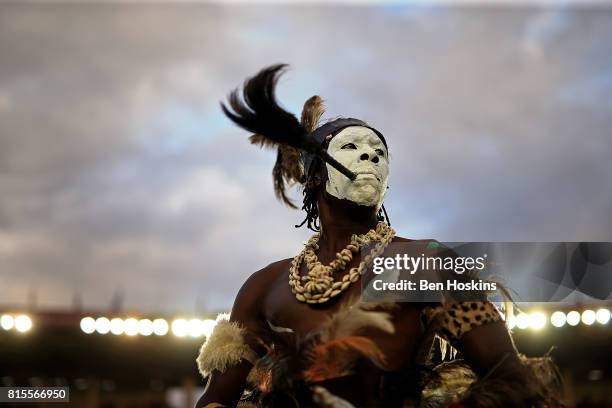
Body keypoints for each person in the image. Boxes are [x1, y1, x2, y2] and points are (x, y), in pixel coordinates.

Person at [194, 65, 563, 408]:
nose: (369, 158)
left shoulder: (424, 261)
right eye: (351, 148)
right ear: (316, 174)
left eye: (379, 153)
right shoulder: (264, 286)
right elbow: (216, 399)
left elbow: (511, 379)